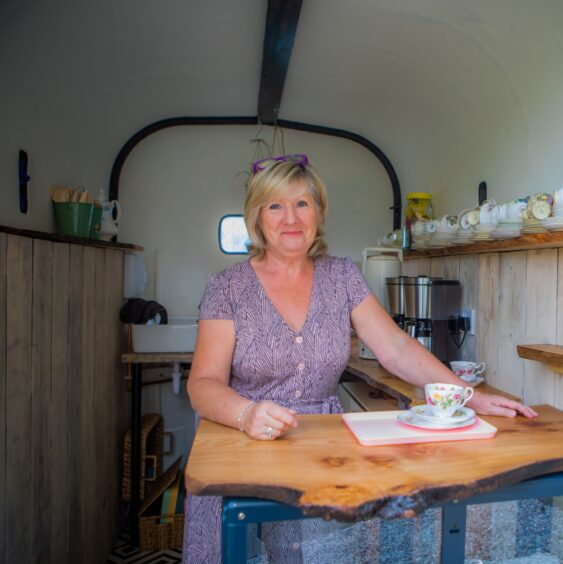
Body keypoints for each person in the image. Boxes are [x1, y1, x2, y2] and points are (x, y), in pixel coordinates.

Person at [183, 154, 538, 562]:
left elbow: (397, 348)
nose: (290, 218)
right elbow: (203, 383)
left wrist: (469, 397)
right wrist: (247, 415)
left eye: (303, 203)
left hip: (320, 448)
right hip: (239, 441)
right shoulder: (227, 287)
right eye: (275, 205)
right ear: (257, 216)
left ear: (319, 211)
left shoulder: (342, 276)